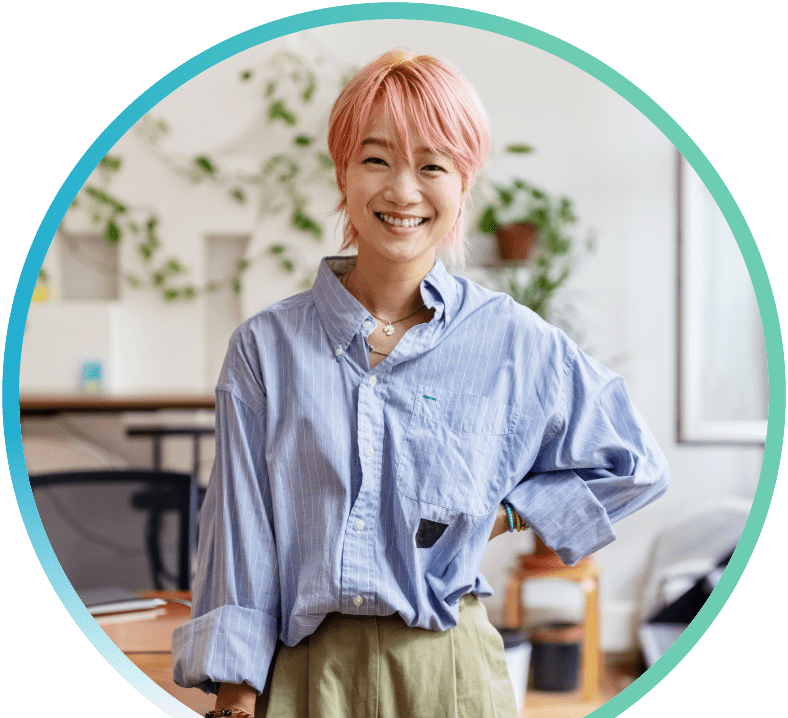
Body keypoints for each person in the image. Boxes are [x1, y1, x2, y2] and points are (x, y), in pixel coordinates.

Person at [172, 49, 669, 718]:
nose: (403, 191)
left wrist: (512, 514)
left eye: (433, 165)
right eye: (376, 159)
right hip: (306, 673)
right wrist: (235, 697)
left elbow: (635, 464)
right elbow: (240, 533)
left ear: (464, 185)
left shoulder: (513, 343)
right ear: (342, 174)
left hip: (451, 674)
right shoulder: (266, 349)